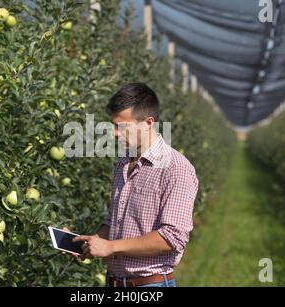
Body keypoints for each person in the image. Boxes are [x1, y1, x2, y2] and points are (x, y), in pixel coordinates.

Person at [69, 82, 199, 287]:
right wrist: (93, 243)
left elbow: (172, 238)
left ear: (148, 123)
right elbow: (115, 220)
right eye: (113, 125)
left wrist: (111, 247)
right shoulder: (123, 162)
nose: (115, 133)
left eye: (122, 127)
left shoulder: (176, 168)